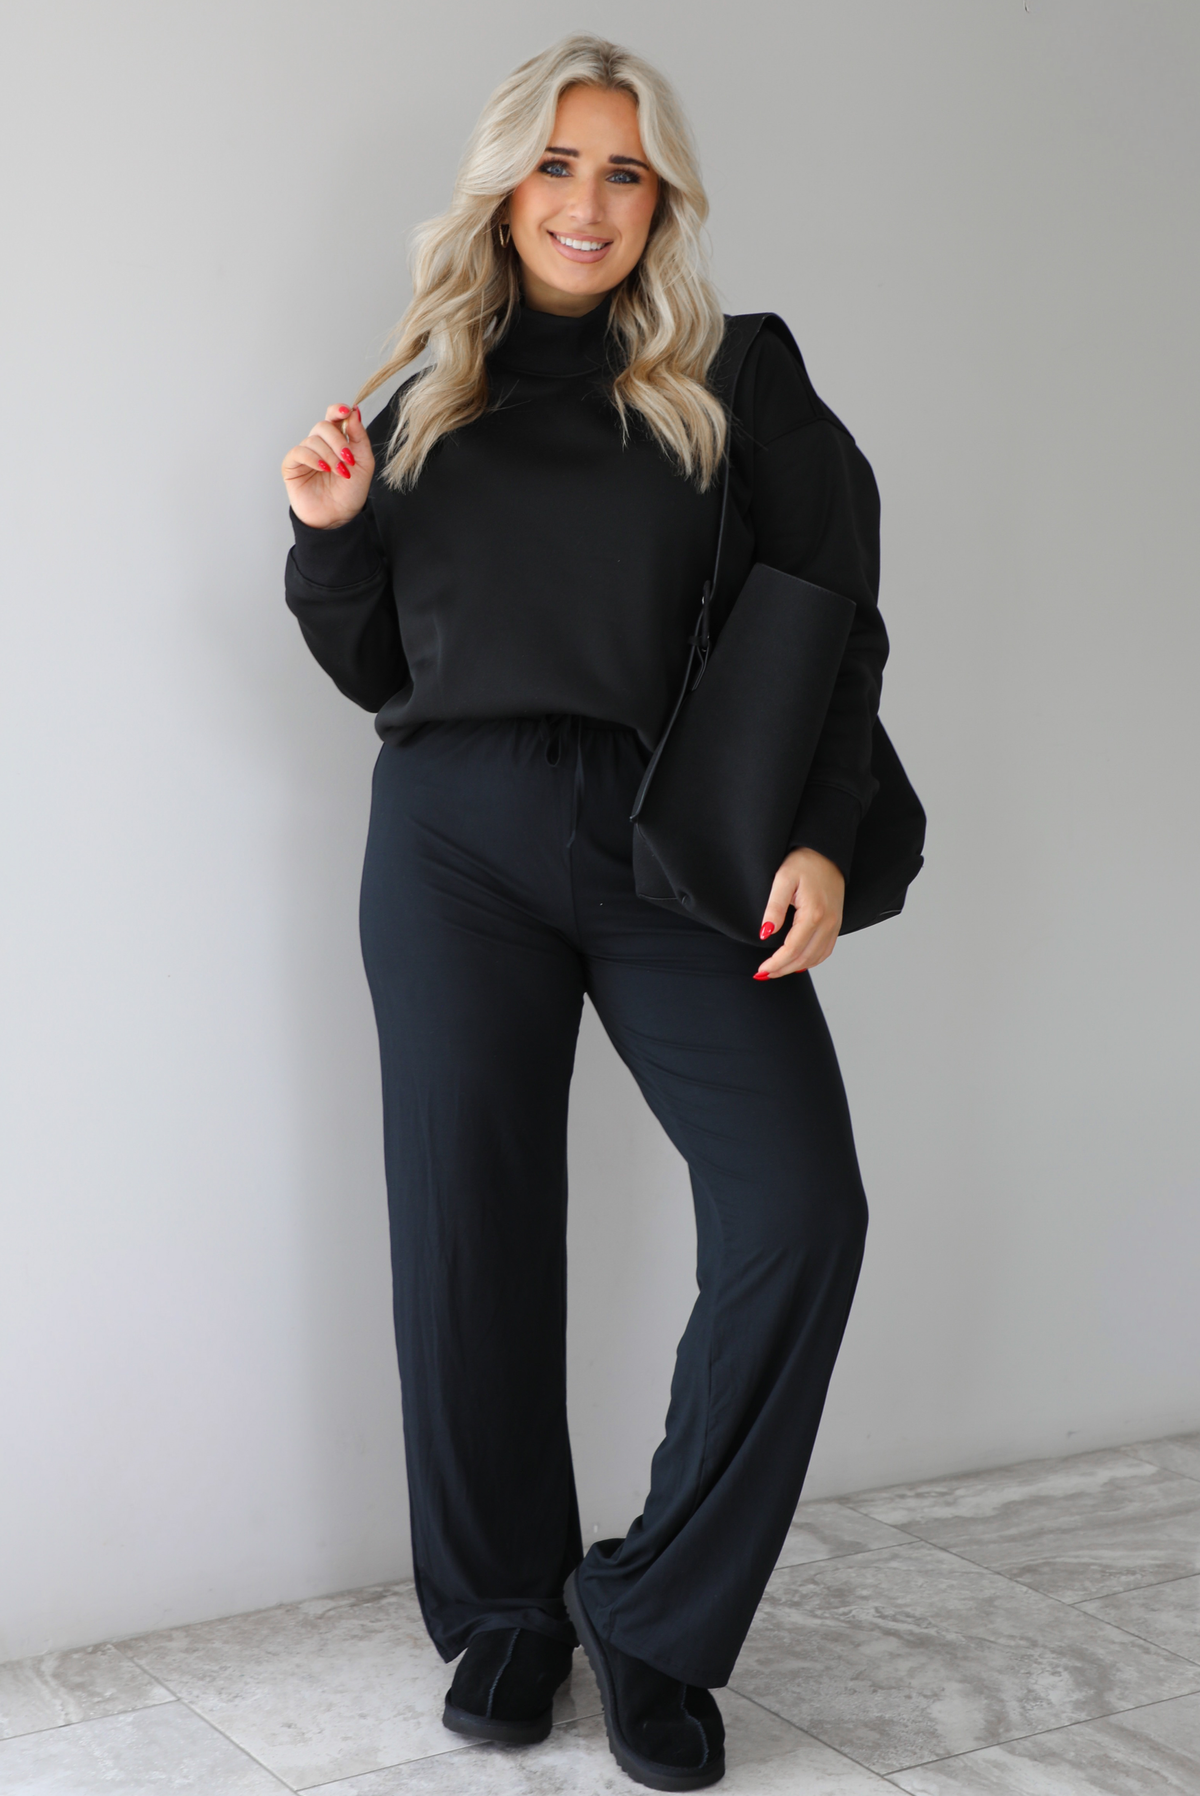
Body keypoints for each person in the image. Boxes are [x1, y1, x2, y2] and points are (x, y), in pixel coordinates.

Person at [281, 33, 886, 1793]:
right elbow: (380, 657)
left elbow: (835, 613)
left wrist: (827, 834)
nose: (590, 201)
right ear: (505, 186)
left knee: (800, 1205)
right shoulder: (428, 392)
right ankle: (502, 1615)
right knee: (466, 1229)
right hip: (452, 834)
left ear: (664, 199)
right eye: (558, 164)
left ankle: (651, 1617)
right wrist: (326, 534)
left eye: (626, 170)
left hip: (667, 836)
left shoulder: (737, 376)